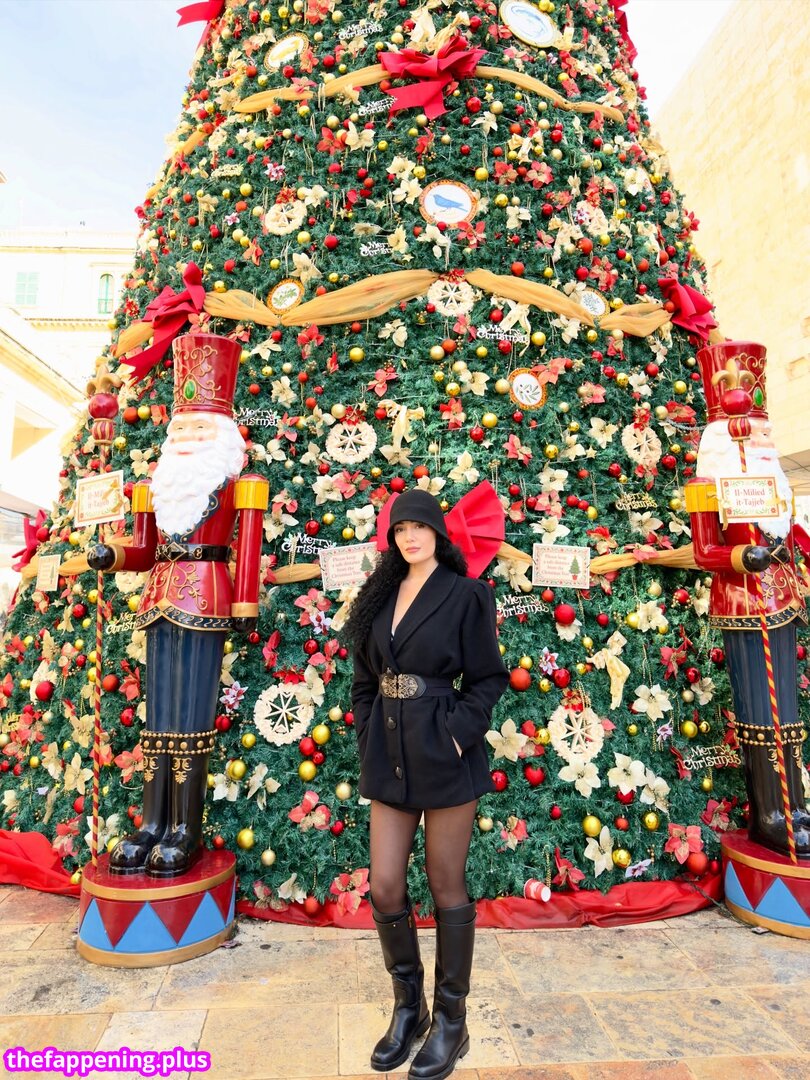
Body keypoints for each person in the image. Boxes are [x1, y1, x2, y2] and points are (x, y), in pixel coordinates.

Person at [88, 332, 268, 876]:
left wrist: (245, 605)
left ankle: (185, 828)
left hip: (208, 593)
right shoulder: (155, 487)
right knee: (159, 713)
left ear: (221, 434)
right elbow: (144, 550)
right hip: (158, 596)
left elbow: (247, 547)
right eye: (182, 428)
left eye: (199, 428)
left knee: (191, 712)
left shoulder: (240, 484)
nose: (188, 436)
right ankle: (151, 823)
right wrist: (111, 555)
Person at [343, 488, 508, 1079]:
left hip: (445, 755)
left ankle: (452, 1021)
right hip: (389, 753)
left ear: (438, 533)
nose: (409, 537)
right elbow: (364, 679)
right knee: (386, 886)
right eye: (400, 529)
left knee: (445, 884)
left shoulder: (467, 594)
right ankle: (408, 1008)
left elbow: (488, 679)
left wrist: (458, 736)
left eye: (419, 527)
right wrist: (368, 733)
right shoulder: (379, 595)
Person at [686, 340, 810, 857]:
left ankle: (796, 804)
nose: (757, 438)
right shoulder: (705, 484)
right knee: (760, 707)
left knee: (788, 709)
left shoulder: (776, 484)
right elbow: (704, 551)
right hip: (742, 602)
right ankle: (769, 814)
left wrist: (789, 555)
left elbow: (792, 537)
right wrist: (742, 557)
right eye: (747, 431)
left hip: (782, 599)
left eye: (761, 430)